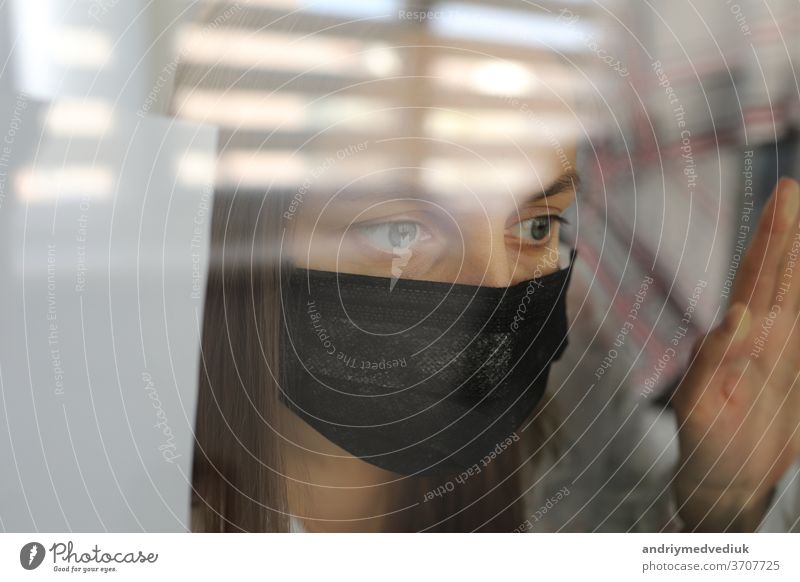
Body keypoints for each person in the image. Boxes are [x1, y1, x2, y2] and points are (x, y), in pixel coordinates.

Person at [170, 1, 800, 532]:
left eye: (533, 226)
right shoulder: (130, 505)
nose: (499, 294)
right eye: (401, 231)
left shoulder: (571, 392)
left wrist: (719, 503)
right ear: (235, 235)